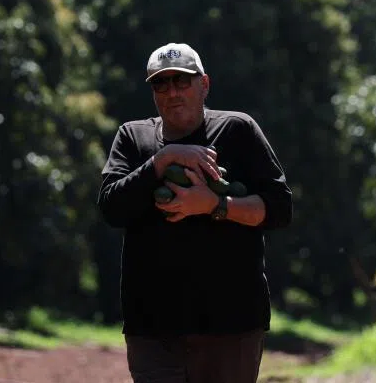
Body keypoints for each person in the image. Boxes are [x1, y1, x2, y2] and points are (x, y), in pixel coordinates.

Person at [97, 42, 293, 383]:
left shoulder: (238, 130)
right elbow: (112, 208)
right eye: (161, 83)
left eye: (182, 81)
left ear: (204, 85)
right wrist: (162, 160)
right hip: (153, 328)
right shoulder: (132, 137)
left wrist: (215, 205)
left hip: (233, 326)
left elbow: (279, 209)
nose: (172, 92)